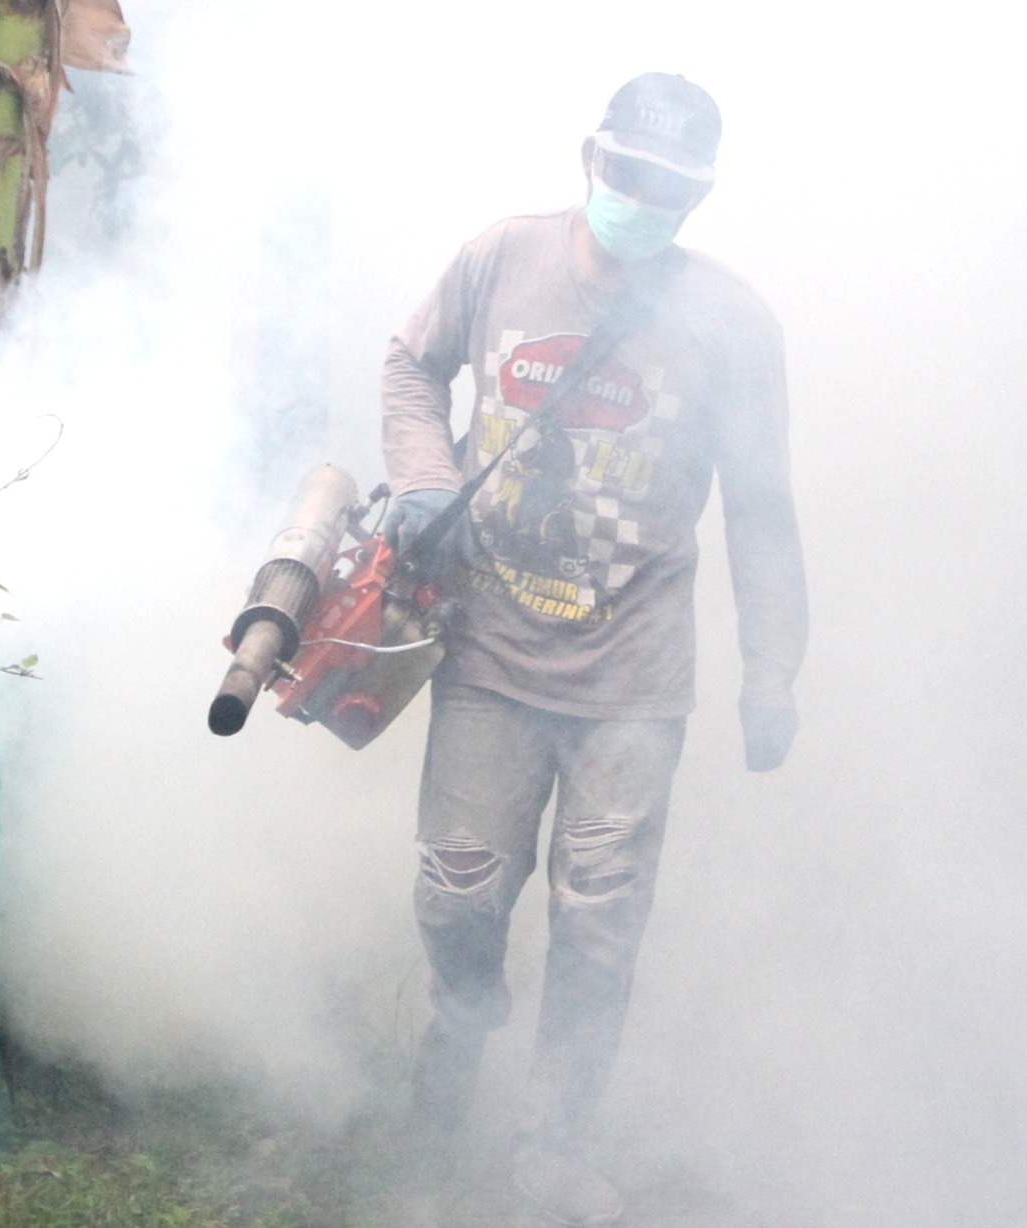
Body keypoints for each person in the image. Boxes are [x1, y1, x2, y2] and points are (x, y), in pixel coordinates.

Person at [378, 71, 807, 1226]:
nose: (644, 200)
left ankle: (550, 1147)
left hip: (635, 674)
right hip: (488, 650)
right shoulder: (499, 258)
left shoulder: (733, 322)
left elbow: (761, 508)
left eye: (673, 188)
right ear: (589, 157)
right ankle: (457, 1045)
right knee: (457, 896)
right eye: (629, 174)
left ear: (698, 196)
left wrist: (774, 669)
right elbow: (413, 368)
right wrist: (423, 480)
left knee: (602, 922)